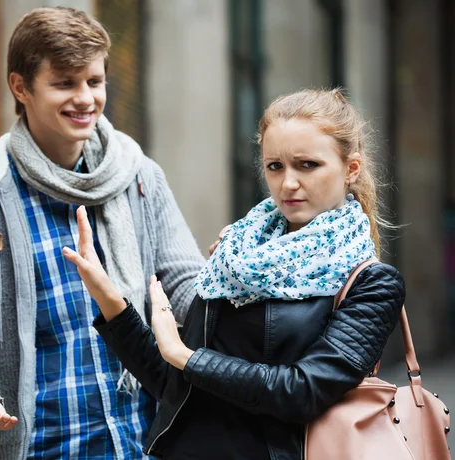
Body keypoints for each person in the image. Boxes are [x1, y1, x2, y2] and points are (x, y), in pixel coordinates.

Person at [63, 88, 406, 459]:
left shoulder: (372, 284)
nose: (288, 183)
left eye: (307, 164)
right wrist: (111, 303)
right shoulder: (237, 258)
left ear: (350, 169)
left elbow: (302, 392)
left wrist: (186, 356)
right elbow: (173, 384)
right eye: (275, 166)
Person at [0, 6, 205, 460]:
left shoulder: (140, 178)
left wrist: (238, 286)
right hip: (48, 447)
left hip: (152, 440)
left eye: (94, 82)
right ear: (21, 87)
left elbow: (185, 288)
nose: (85, 99)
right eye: (64, 83)